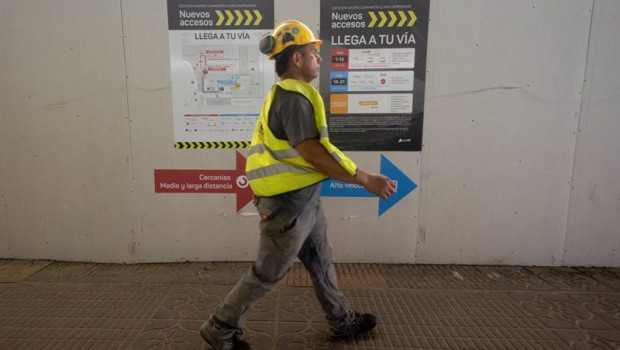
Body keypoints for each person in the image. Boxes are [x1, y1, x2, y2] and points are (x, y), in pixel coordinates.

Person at [200, 20, 397, 350]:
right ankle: (220, 328)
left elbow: (286, 153)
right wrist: (366, 180)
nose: (319, 59)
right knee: (268, 273)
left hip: (302, 199)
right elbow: (311, 152)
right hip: (287, 204)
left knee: (321, 261)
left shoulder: (290, 95)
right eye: (313, 53)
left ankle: (340, 320)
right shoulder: (292, 99)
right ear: (296, 59)